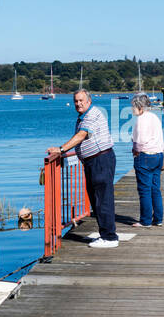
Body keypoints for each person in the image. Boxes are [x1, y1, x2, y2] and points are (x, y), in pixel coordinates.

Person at [47, 90, 118, 247]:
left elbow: (82, 135)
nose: (78, 104)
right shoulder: (85, 115)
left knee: (102, 199)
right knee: (96, 199)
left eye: (81, 100)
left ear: (89, 101)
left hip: (101, 160)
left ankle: (110, 237)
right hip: (94, 161)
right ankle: (105, 233)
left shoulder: (92, 114)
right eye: (76, 101)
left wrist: (61, 149)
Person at [130, 93, 164, 227]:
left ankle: (145, 221)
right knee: (155, 189)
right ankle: (158, 219)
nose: (132, 109)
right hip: (158, 155)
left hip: (145, 156)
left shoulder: (141, 120)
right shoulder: (154, 117)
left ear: (139, 107)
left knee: (144, 190)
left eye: (133, 107)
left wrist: (135, 150)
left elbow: (140, 141)